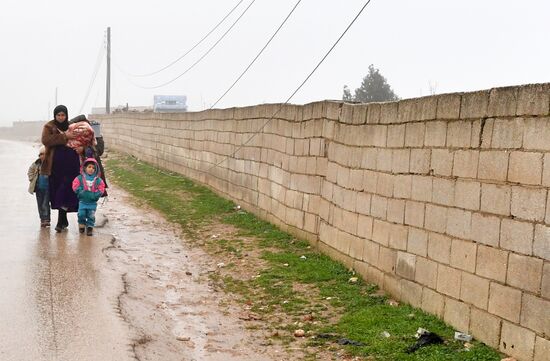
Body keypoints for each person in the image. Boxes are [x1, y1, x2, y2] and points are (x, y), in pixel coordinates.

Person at [41, 105, 79, 232]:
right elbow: (46, 140)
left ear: (66, 115)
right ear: (55, 115)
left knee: (67, 190)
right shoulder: (49, 126)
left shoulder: (72, 126)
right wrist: (64, 137)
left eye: (63, 115)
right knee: (58, 191)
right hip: (55, 165)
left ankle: (60, 221)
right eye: (58, 115)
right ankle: (63, 219)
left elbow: (80, 139)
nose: (61, 117)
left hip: (71, 164)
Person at [69, 114, 108, 195]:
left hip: (90, 173)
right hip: (75, 172)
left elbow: (99, 151)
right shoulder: (71, 137)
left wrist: (83, 149)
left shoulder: (91, 134)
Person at [72, 158, 105, 236]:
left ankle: (90, 227)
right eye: (89, 167)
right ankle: (82, 224)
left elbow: (101, 188)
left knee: (91, 215)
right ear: (85, 168)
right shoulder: (80, 178)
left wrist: (95, 195)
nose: (91, 169)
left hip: (92, 202)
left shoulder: (98, 180)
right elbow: (75, 185)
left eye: (93, 168)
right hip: (82, 201)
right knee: (81, 214)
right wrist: (80, 192)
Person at [27, 145, 50, 227]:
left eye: (45, 154)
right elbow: (30, 171)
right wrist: (32, 179)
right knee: (40, 204)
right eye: (41, 154)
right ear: (39, 155)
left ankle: (47, 219)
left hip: (48, 188)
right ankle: (42, 219)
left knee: (45, 203)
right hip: (38, 188)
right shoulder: (36, 164)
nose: (43, 156)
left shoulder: (50, 164)